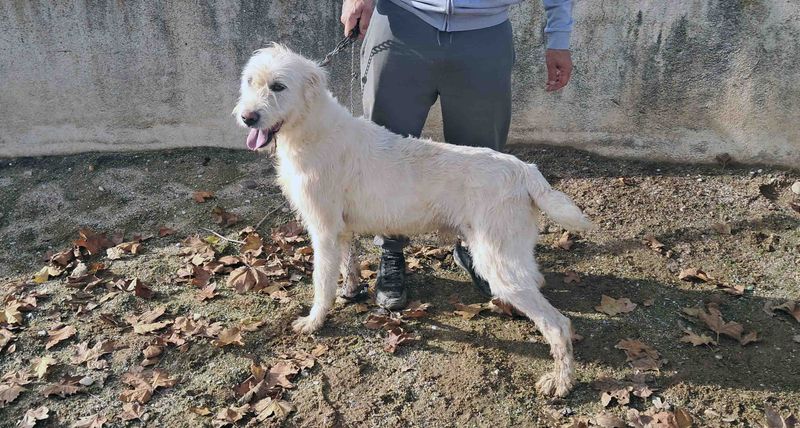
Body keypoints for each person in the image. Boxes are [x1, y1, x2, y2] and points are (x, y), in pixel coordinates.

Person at [340, 0, 574, 310]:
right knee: (385, 159)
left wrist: (559, 36)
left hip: (484, 31)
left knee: (482, 159)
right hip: (402, 21)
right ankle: (391, 252)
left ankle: (474, 245)